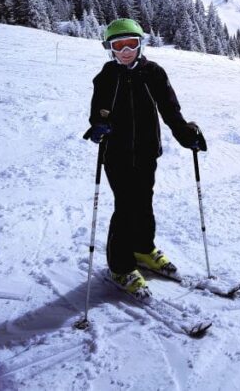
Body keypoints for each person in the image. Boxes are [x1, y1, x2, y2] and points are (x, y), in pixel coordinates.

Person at [85, 18, 203, 299]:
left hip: (148, 151)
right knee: (126, 207)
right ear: (109, 49)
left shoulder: (154, 73)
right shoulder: (107, 76)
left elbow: (170, 109)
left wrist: (186, 133)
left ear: (141, 45)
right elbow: (98, 110)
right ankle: (120, 266)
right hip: (116, 154)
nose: (125, 51)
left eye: (131, 44)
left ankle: (143, 249)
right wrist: (99, 125)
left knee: (144, 201)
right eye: (118, 45)